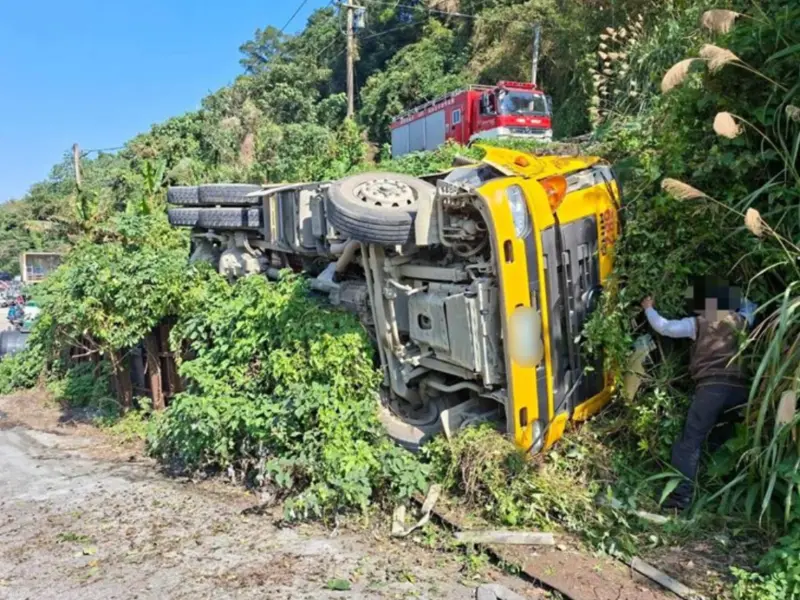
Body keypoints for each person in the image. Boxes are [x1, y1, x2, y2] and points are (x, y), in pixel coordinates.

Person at [641, 278, 757, 510]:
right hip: (741, 391)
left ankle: (679, 500)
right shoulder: (742, 320)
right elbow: (751, 305)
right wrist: (737, 297)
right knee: (725, 438)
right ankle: (724, 492)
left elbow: (664, 327)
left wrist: (648, 308)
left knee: (689, 443)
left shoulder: (699, 322)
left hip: (712, 389)